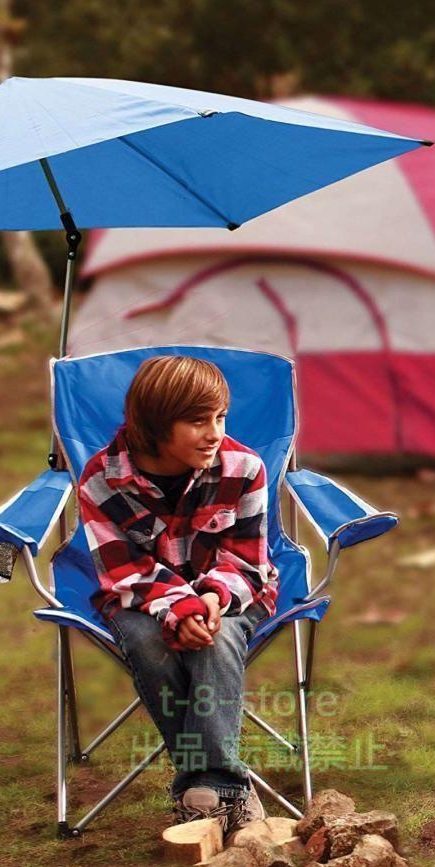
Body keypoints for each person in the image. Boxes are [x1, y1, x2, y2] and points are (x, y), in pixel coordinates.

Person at [76, 355, 280, 838]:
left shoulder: (243, 468)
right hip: (139, 596)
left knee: (217, 638)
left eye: (220, 418)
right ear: (153, 424)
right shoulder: (101, 479)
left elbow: (245, 559)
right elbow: (125, 569)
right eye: (198, 422)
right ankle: (227, 790)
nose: (214, 434)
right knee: (150, 643)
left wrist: (208, 600)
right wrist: (179, 607)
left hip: (232, 591)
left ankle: (205, 792)